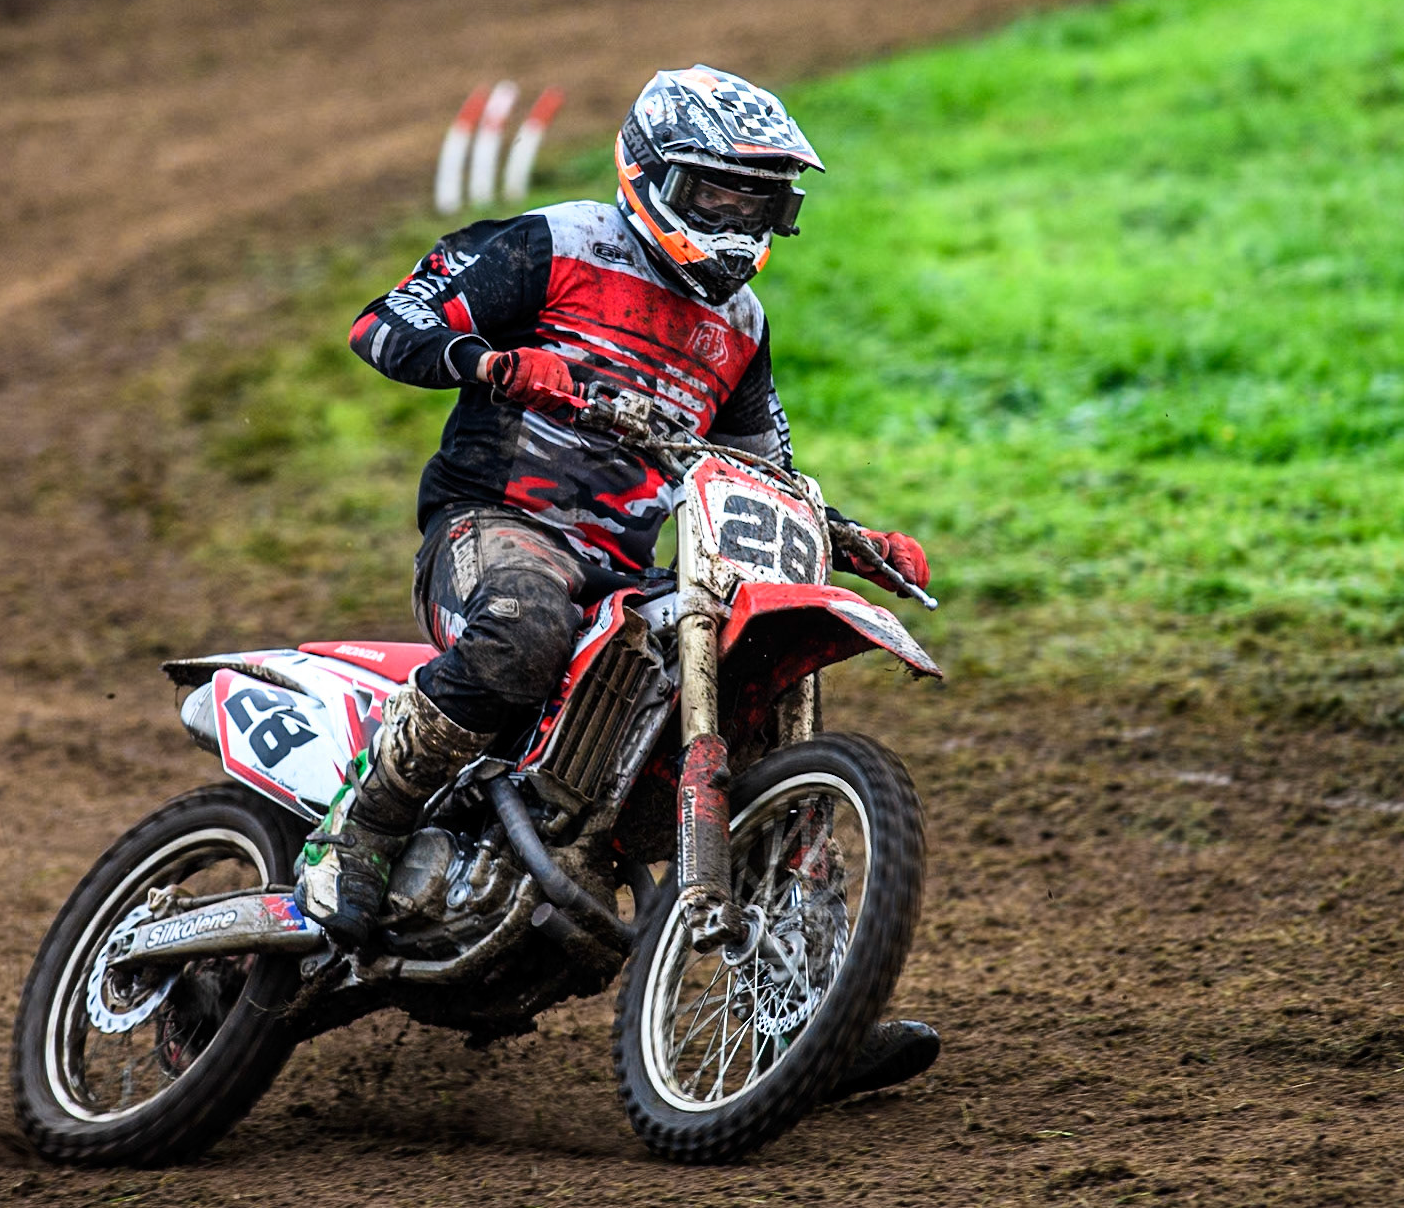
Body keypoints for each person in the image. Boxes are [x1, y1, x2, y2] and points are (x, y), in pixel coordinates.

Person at [301, 65, 932, 953]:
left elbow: (762, 470)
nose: (734, 224)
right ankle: (359, 828)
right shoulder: (556, 244)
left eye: (756, 206)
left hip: (622, 576)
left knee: (745, 688)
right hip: (494, 523)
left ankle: (805, 988)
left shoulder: (741, 327)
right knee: (526, 625)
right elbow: (384, 323)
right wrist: (493, 364)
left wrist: (854, 538)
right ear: (648, 173)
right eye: (713, 195)